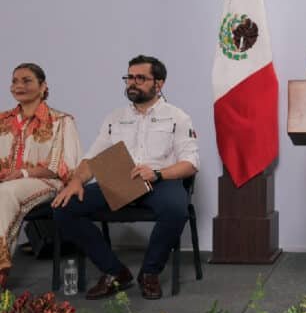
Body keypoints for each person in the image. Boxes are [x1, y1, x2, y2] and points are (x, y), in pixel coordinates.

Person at [52, 55, 198, 300]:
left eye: (140, 78)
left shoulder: (178, 117)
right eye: (129, 77)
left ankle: (149, 273)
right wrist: (76, 181)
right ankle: (115, 272)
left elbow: (191, 163)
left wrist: (158, 173)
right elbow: (92, 159)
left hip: (160, 182)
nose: (132, 83)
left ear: (159, 83)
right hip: (120, 183)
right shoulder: (114, 118)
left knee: (176, 209)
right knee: (63, 207)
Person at [0, 63, 81, 290]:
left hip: (47, 182)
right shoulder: (2, 120)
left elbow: (62, 165)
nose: (19, 86)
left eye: (26, 81)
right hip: (6, 183)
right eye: (15, 81)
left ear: (43, 86)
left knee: (5, 193)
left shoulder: (61, 121)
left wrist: (24, 172)